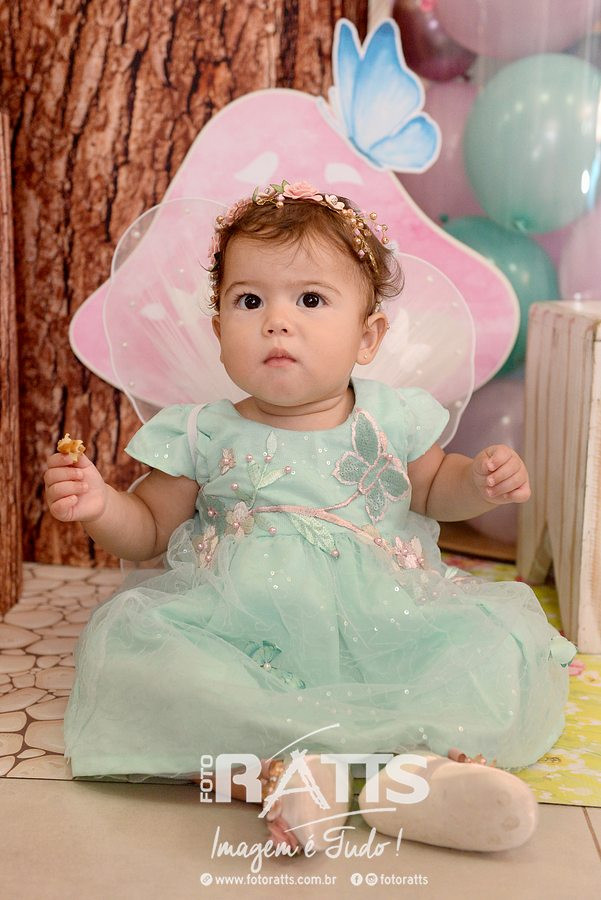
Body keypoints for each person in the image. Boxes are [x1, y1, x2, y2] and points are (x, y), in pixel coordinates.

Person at [45, 180, 576, 855]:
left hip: (382, 622)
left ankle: (418, 778)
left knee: (485, 651)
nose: (276, 321)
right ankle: (292, 778)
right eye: (249, 301)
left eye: (310, 300)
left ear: (367, 336)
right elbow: (148, 528)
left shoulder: (390, 417)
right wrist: (100, 506)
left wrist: (477, 483)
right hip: (239, 631)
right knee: (151, 665)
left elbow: (435, 489)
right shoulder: (201, 432)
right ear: (218, 331)